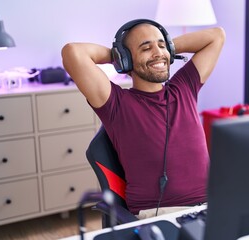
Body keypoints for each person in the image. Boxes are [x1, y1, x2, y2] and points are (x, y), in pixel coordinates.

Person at [61, 19, 225, 219]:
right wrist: (120, 54)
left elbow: (217, 36)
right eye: (146, 48)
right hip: (161, 214)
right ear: (126, 60)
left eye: (162, 45)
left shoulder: (185, 87)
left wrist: (167, 47)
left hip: (210, 208)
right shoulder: (116, 104)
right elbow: (73, 52)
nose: (158, 53)